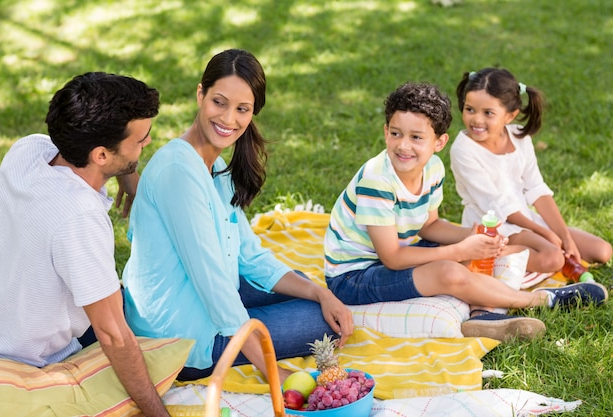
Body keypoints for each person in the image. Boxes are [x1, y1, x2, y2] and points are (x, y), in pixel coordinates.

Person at [122, 49, 354, 383]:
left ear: (252, 112)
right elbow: (212, 283)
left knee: (313, 293)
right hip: (178, 337)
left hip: (203, 300)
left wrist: (322, 292)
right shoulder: (178, 171)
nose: (229, 119)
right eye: (219, 102)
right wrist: (272, 370)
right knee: (317, 321)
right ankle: (246, 337)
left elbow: (248, 254)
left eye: (242, 109)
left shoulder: (216, 167)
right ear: (201, 94)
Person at [323, 81, 608, 342]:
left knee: (477, 254)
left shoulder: (432, 168)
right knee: (449, 269)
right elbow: (393, 258)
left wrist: (471, 236)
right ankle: (540, 300)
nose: (403, 145)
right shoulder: (377, 181)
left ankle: (482, 315)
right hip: (354, 278)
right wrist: (459, 251)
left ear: (439, 142)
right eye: (395, 134)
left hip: (389, 259)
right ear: (386, 132)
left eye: (416, 137)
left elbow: (429, 226)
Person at [0, 73, 171, 416]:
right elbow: (113, 335)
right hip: (28, 356)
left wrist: (128, 178)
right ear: (101, 155)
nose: (146, 144)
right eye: (142, 140)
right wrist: (158, 413)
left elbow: (91, 143)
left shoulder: (29, 150)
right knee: (178, 334)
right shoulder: (78, 218)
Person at [450, 68, 612, 274]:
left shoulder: (519, 136)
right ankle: (485, 252)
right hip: (494, 224)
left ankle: (524, 250)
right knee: (553, 258)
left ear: (510, 116)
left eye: (488, 113)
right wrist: (543, 233)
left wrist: (564, 236)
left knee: (603, 251)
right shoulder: (463, 149)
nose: (476, 120)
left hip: (525, 219)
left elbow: (536, 188)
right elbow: (498, 206)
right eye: (469, 109)